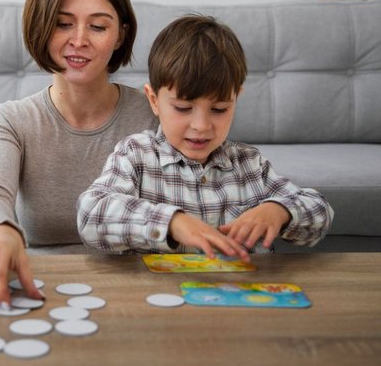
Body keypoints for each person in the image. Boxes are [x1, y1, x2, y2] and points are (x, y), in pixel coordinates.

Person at [0, 0, 158, 304]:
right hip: (42, 286)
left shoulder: (155, 115)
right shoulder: (11, 120)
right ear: (41, 25)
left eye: (98, 26)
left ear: (120, 34)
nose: (79, 40)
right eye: (63, 23)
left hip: (134, 291)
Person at [77, 15, 333, 257]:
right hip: (164, 288)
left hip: (242, 287)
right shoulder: (136, 154)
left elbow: (319, 211)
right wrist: (172, 223)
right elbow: (91, 214)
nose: (201, 126)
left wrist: (279, 211)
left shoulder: (250, 164)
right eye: (183, 108)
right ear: (154, 101)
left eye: (219, 109)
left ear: (236, 99)